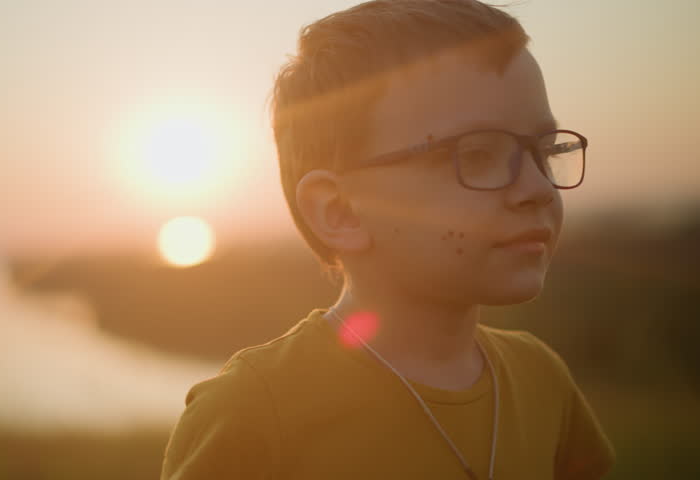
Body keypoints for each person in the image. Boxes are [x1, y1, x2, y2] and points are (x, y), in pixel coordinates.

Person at [160, 1, 616, 478]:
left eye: (546, 152)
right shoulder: (252, 412)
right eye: (479, 154)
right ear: (340, 210)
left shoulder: (541, 379)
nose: (540, 190)